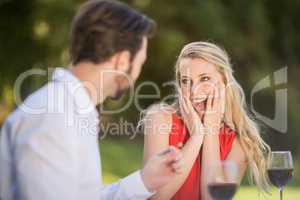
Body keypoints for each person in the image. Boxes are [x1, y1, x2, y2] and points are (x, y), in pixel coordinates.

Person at [0, 1, 183, 199]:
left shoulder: (71, 111)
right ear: (122, 61)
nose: (137, 74)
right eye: (140, 62)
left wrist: (144, 181)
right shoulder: (53, 118)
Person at [141, 41, 271, 199]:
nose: (194, 91)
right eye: (186, 81)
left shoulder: (240, 143)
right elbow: (155, 198)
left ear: (224, 81)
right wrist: (196, 137)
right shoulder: (160, 118)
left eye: (205, 79)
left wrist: (210, 130)